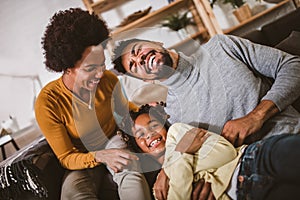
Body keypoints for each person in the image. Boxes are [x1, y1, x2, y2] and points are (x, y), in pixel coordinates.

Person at [112, 35, 300, 199]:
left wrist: (256, 116)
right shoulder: (175, 116)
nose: (140, 59)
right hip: (247, 178)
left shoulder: (221, 47)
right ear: (146, 79)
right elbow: (188, 159)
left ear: (156, 42)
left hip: (289, 139)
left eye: (138, 50)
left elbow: (293, 66)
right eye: (134, 65)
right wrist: (170, 174)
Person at [35, 8, 151, 200]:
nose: (100, 74)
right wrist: (99, 156)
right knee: (73, 194)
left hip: (113, 139)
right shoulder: (48, 103)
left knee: (131, 175)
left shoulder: (108, 81)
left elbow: (124, 111)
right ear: (67, 67)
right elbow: (66, 157)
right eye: (90, 68)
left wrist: (144, 113)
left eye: (102, 64)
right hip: (81, 156)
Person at [120, 103, 300, 200]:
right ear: (139, 148)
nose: (150, 134)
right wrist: (182, 156)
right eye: (140, 134)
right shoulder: (157, 191)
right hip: (244, 194)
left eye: (154, 125)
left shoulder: (179, 133)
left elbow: (225, 153)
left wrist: (180, 157)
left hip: (253, 159)